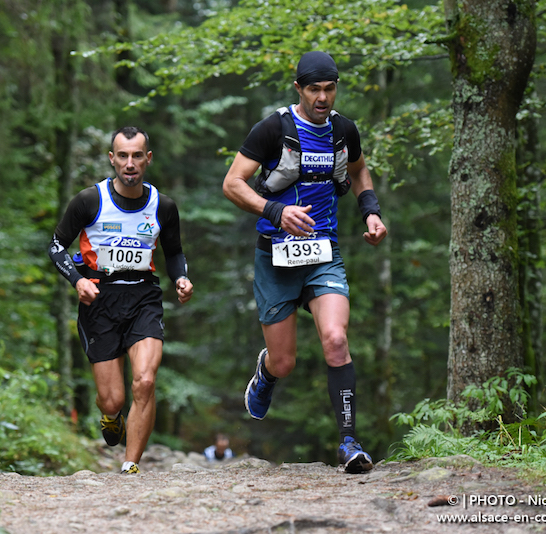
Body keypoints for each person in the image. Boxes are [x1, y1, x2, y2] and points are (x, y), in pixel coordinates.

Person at [222, 51, 387, 474]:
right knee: (285, 362)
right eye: (314, 89)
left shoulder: (344, 130)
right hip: (275, 257)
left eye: (329, 89)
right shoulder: (273, 128)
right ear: (299, 88)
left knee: (335, 339)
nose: (322, 97)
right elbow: (232, 183)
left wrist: (370, 211)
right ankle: (267, 372)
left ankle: (349, 442)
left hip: (322, 253)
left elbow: (360, 171)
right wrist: (275, 212)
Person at [48, 126, 194, 474]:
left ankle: (130, 465)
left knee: (144, 380)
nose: (130, 163)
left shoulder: (164, 206)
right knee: (112, 399)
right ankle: (111, 416)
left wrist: (182, 278)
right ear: (112, 159)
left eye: (137, 155)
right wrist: (77, 280)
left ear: (148, 159)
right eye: (123, 156)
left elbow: (174, 253)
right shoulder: (89, 201)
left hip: (143, 296)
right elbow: (56, 246)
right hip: (99, 299)